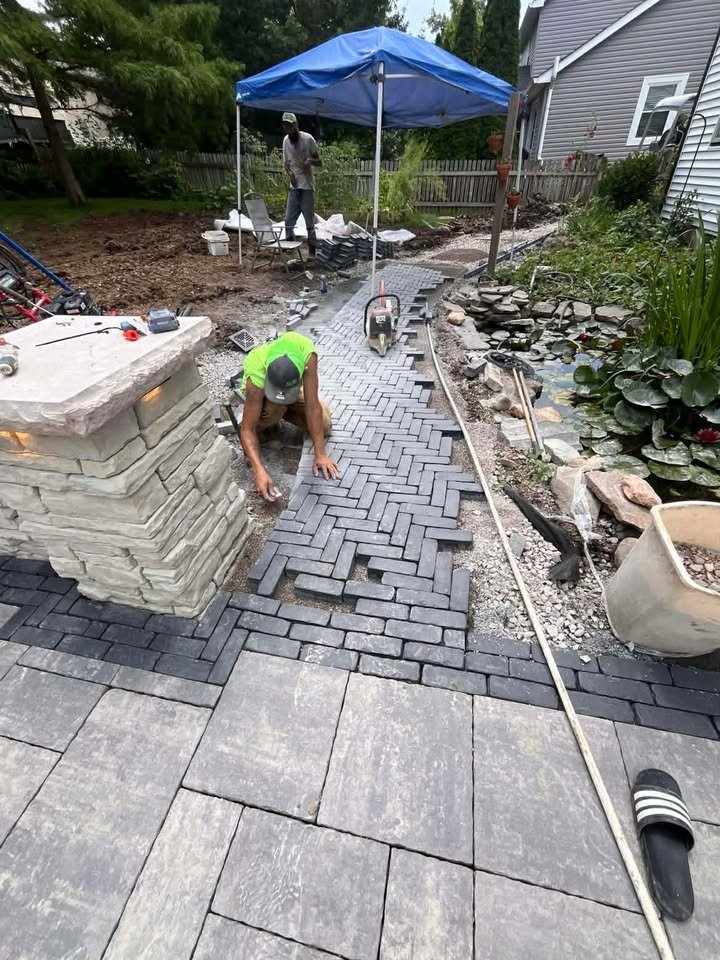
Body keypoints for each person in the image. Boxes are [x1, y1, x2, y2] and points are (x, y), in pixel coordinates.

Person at [240, 331, 339, 499]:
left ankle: (282, 411)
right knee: (272, 411)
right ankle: (268, 422)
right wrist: (259, 471)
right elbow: (246, 429)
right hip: (264, 396)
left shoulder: (306, 353)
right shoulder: (256, 373)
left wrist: (320, 454)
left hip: (289, 387)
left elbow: (312, 407)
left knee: (324, 425)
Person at [282, 112, 320, 254]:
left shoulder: (307, 139)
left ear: (296, 125)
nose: (289, 129)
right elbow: (286, 163)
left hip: (307, 187)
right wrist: (290, 173)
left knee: (309, 222)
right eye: (286, 126)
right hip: (294, 186)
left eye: (291, 126)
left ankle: (312, 253)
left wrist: (310, 161)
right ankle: (290, 252)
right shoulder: (286, 141)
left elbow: (319, 161)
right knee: (288, 220)